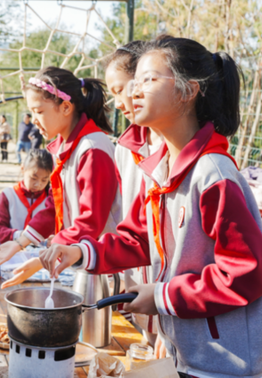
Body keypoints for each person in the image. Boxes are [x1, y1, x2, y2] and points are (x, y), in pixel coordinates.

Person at [40, 35, 262, 378]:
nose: (134, 91)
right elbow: (138, 239)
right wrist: (80, 253)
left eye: (148, 79)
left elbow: (249, 272)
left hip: (229, 366)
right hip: (192, 356)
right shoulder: (161, 169)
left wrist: (164, 296)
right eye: (134, 81)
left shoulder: (213, 174)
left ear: (188, 91)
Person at [0, 67, 121, 288]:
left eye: (39, 111)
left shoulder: (92, 149)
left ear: (66, 107)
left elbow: (90, 221)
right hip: (87, 262)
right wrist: (19, 244)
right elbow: (55, 206)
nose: (34, 120)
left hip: (108, 268)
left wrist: (42, 258)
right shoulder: (66, 148)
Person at [103, 41, 164, 346]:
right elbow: (135, 227)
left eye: (119, 90)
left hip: (171, 307)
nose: (117, 102)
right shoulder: (125, 149)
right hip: (140, 292)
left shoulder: (179, 152)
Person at [0, 149, 53, 243]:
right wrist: (19, 235)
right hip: (11, 252)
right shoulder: (8, 195)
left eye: (44, 180)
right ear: (23, 169)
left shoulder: (51, 199)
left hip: (41, 254)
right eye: (33, 178)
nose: (38, 184)